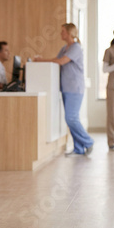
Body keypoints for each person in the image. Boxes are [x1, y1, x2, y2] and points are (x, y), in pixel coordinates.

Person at [34, 23, 94, 156]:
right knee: (71, 118)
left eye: (63, 32)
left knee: (71, 118)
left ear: (69, 33)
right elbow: (56, 59)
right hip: (66, 88)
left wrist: (40, 60)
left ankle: (88, 141)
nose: (61, 34)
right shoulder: (64, 48)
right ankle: (79, 149)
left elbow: (61, 61)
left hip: (75, 87)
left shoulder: (76, 47)